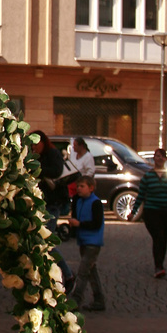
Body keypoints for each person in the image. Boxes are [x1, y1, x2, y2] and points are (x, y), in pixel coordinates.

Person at [128, 147, 167, 277]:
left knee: (164, 239)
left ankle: (160, 263)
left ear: (165, 159)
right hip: (151, 211)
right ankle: (158, 266)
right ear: (154, 159)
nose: (158, 159)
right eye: (156, 156)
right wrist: (133, 212)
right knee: (158, 236)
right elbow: (141, 195)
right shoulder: (148, 176)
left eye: (161, 156)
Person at [31, 131, 75, 291]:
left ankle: (67, 274)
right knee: (41, 242)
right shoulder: (37, 156)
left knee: (46, 242)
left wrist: (36, 168)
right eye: (32, 144)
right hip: (42, 204)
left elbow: (56, 171)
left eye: (36, 143)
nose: (34, 147)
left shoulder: (52, 154)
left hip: (53, 203)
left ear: (44, 142)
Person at [67, 175, 105, 311]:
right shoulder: (79, 201)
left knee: (83, 271)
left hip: (93, 242)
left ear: (91, 188)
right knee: (90, 271)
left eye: (82, 186)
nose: (79, 189)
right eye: (78, 186)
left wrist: (79, 224)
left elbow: (96, 223)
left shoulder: (96, 203)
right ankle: (99, 299)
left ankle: (76, 300)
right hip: (83, 240)